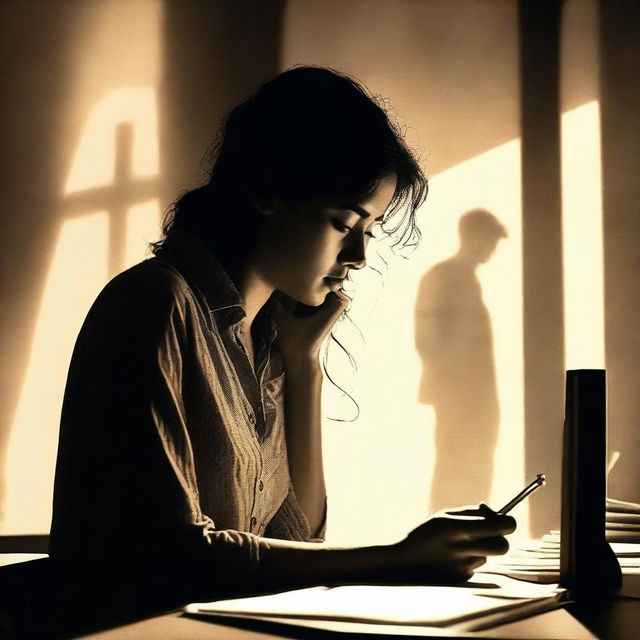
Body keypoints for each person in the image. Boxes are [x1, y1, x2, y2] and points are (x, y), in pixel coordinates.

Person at [48, 66, 515, 626]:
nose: (360, 255)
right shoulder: (155, 304)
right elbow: (169, 558)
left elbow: (299, 537)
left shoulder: (264, 341)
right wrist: (395, 559)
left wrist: (304, 364)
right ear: (267, 189)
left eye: (370, 228)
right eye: (346, 223)